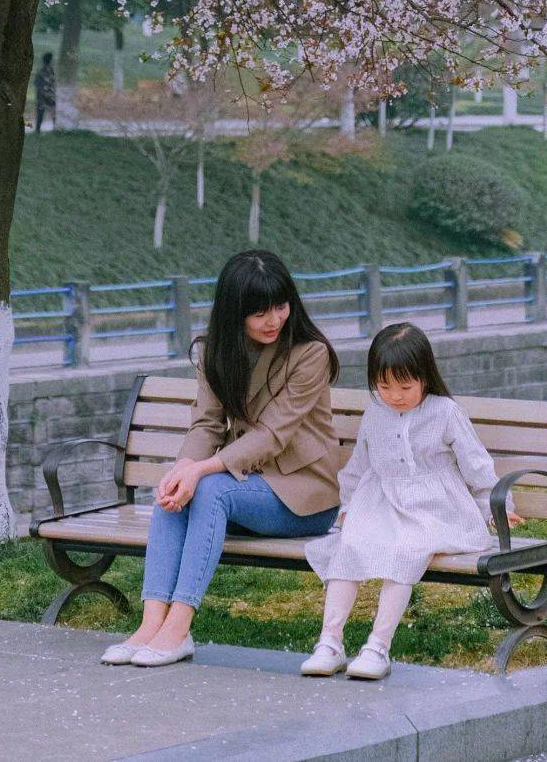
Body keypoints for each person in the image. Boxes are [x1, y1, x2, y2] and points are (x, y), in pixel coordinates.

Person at [101, 249, 342, 668]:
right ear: (234, 311)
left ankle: (179, 628)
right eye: (259, 312)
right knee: (175, 490)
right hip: (245, 487)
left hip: (303, 497)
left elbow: (272, 435)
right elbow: (207, 425)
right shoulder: (216, 350)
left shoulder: (309, 353)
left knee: (208, 487)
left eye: (280, 307)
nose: (273, 320)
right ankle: (151, 623)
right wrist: (182, 471)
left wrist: (201, 470)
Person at [301, 322, 523, 681]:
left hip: (438, 511)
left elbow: (476, 465)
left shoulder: (445, 412)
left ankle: (378, 646)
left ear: (424, 377)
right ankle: (330, 642)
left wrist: (497, 509)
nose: (395, 396)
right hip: (384, 505)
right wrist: (347, 508)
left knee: (406, 551)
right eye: (384, 386)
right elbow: (359, 467)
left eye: (405, 386)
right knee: (348, 546)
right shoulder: (375, 413)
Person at [33, 52, 56, 133]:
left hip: (43, 96)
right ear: (50, 61)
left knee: (41, 114)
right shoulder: (49, 71)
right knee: (51, 113)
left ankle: (37, 131)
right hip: (47, 96)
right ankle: (54, 129)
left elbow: (36, 84)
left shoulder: (42, 71)